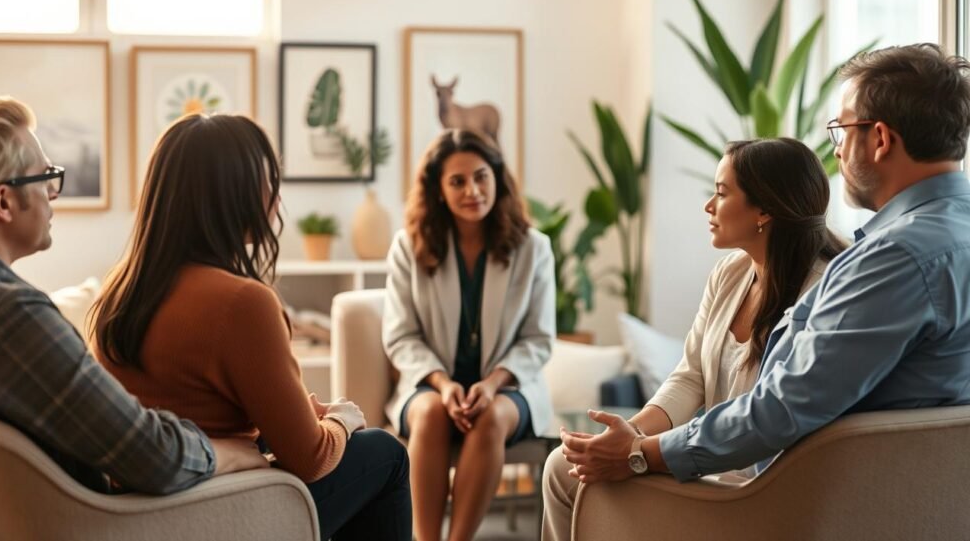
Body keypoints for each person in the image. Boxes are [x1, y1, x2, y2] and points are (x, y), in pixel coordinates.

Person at [550, 42, 970, 535]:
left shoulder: (892, 259)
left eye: (841, 129)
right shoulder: (942, 237)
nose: (835, 147)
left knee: (565, 473)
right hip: (903, 498)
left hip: (796, 501)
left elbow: (782, 408)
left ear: (879, 139)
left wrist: (641, 456)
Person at [91, 113, 411, 541]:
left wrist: (295, 413)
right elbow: (311, 459)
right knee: (384, 454)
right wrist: (341, 420)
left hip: (143, 512)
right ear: (234, 194)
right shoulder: (243, 302)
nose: (278, 197)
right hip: (217, 511)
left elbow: (193, 410)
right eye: (269, 180)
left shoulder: (119, 292)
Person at [0, 97, 266, 494]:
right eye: (44, 177)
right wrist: (237, 451)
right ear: (4, 202)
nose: (52, 192)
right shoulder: (10, 317)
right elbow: (155, 457)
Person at [541, 137, 848, 538]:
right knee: (563, 465)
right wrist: (628, 435)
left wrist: (634, 455)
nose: (708, 206)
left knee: (570, 475)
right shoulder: (729, 273)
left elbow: (773, 419)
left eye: (721, 193)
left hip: (755, 486)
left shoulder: (823, 295)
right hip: (704, 463)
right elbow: (690, 378)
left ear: (765, 210)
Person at [382, 128, 555, 541]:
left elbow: (538, 339)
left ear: (497, 178)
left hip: (510, 387)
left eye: (481, 176)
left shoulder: (533, 248)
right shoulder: (409, 246)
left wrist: (493, 384)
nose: (472, 190)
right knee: (429, 414)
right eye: (457, 181)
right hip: (430, 385)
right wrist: (442, 386)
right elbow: (401, 336)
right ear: (439, 190)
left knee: (490, 418)